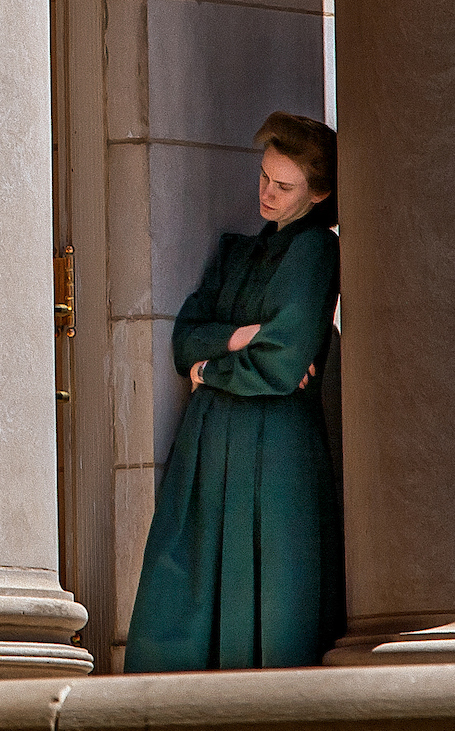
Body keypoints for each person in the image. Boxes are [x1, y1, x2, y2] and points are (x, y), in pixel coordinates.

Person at [122, 111, 345, 671]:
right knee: (187, 587)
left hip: (274, 447)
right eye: (265, 178)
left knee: (273, 595)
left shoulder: (316, 251)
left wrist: (207, 371)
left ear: (318, 195)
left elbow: (280, 360)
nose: (268, 194)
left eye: (284, 186)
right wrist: (233, 340)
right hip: (210, 442)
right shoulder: (235, 252)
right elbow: (184, 338)